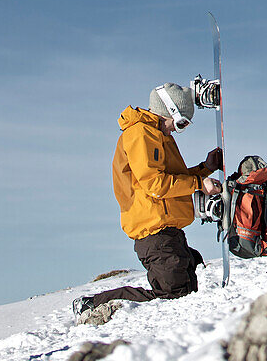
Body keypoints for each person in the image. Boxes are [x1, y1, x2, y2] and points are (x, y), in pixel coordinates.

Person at [73, 82, 223, 318]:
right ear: (169, 112)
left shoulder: (159, 136)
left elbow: (174, 179)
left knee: (185, 293)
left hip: (168, 232)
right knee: (173, 297)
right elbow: (154, 184)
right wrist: (199, 184)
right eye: (181, 123)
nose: (177, 130)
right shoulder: (141, 134)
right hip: (154, 234)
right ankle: (94, 305)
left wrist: (205, 169)